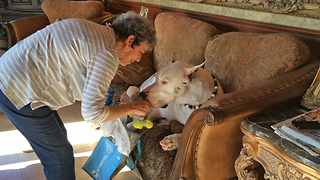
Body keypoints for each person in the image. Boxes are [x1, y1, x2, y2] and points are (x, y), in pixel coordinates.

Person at [0, 11, 156, 180]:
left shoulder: (97, 33)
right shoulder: (106, 54)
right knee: (59, 157)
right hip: (18, 89)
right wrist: (131, 107)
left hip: (10, 71)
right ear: (130, 41)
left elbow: (81, 72)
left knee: (59, 144)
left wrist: (111, 101)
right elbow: (92, 114)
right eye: (141, 51)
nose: (139, 59)